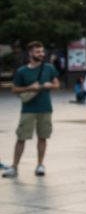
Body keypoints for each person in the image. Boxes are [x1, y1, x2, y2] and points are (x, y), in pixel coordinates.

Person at [3, 41, 60, 179]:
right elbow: (14, 89)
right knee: (21, 137)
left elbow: (56, 84)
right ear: (30, 53)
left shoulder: (49, 68)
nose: (41, 54)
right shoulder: (22, 71)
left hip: (45, 108)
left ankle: (40, 165)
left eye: (42, 51)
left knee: (43, 137)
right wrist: (29, 88)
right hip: (28, 109)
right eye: (38, 52)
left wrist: (49, 86)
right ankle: (14, 167)